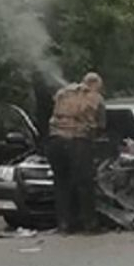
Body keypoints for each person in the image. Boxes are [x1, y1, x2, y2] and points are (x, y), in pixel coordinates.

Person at [46, 72, 106, 235]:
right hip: (78, 141)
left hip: (55, 141)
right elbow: (101, 125)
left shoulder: (62, 93)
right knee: (85, 183)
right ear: (96, 85)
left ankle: (64, 225)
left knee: (61, 183)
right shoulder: (96, 98)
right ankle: (90, 225)